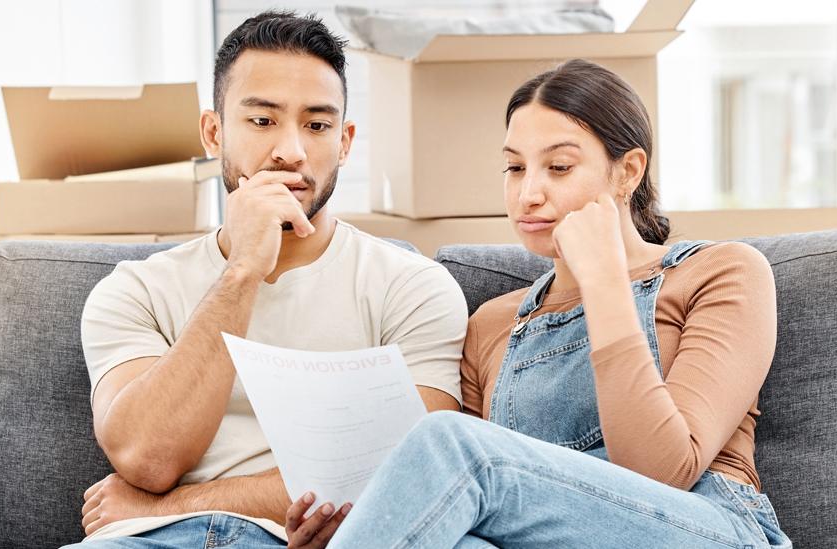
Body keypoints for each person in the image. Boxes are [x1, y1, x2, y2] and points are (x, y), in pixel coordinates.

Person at [286, 59, 792, 548]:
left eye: (559, 167)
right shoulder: (493, 324)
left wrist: (605, 284)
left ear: (628, 172)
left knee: (455, 444)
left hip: (701, 528)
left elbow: (664, 472)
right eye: (514, 167)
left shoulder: (722, 273)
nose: (528, 193)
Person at [63, 10, 469, 549]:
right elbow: (145, 457)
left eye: (318, 126)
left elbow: (414, 470)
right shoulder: (136, 290)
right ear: (214, 132)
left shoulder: (413, 287)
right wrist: (243, 271)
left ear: (345, 142)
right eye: (262, 121)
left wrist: (173, 505)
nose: (292, 151)